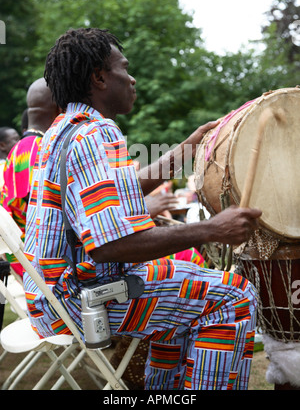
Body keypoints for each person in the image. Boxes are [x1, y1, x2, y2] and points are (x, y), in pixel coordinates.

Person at [23, 28, 261, 390]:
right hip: (79, 300)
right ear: (99, 77)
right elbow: (108, 246)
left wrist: (187, 147)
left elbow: (120, 190)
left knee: (182, 285)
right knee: (234, 297)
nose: (132, 78)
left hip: (52, 296)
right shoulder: (96, 134)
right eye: (124, 67)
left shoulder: (63, 131)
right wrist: (213, 229)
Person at [1, 79, 61, 277]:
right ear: (59, 107)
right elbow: (39, 205)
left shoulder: (32, 144)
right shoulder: (31, 147)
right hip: (40, 258)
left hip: (39, 253)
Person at [0, 127, 20, 192]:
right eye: (16, 139)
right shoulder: (4, 168)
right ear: (2, 145)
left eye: (20, 138)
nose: (20, 142)